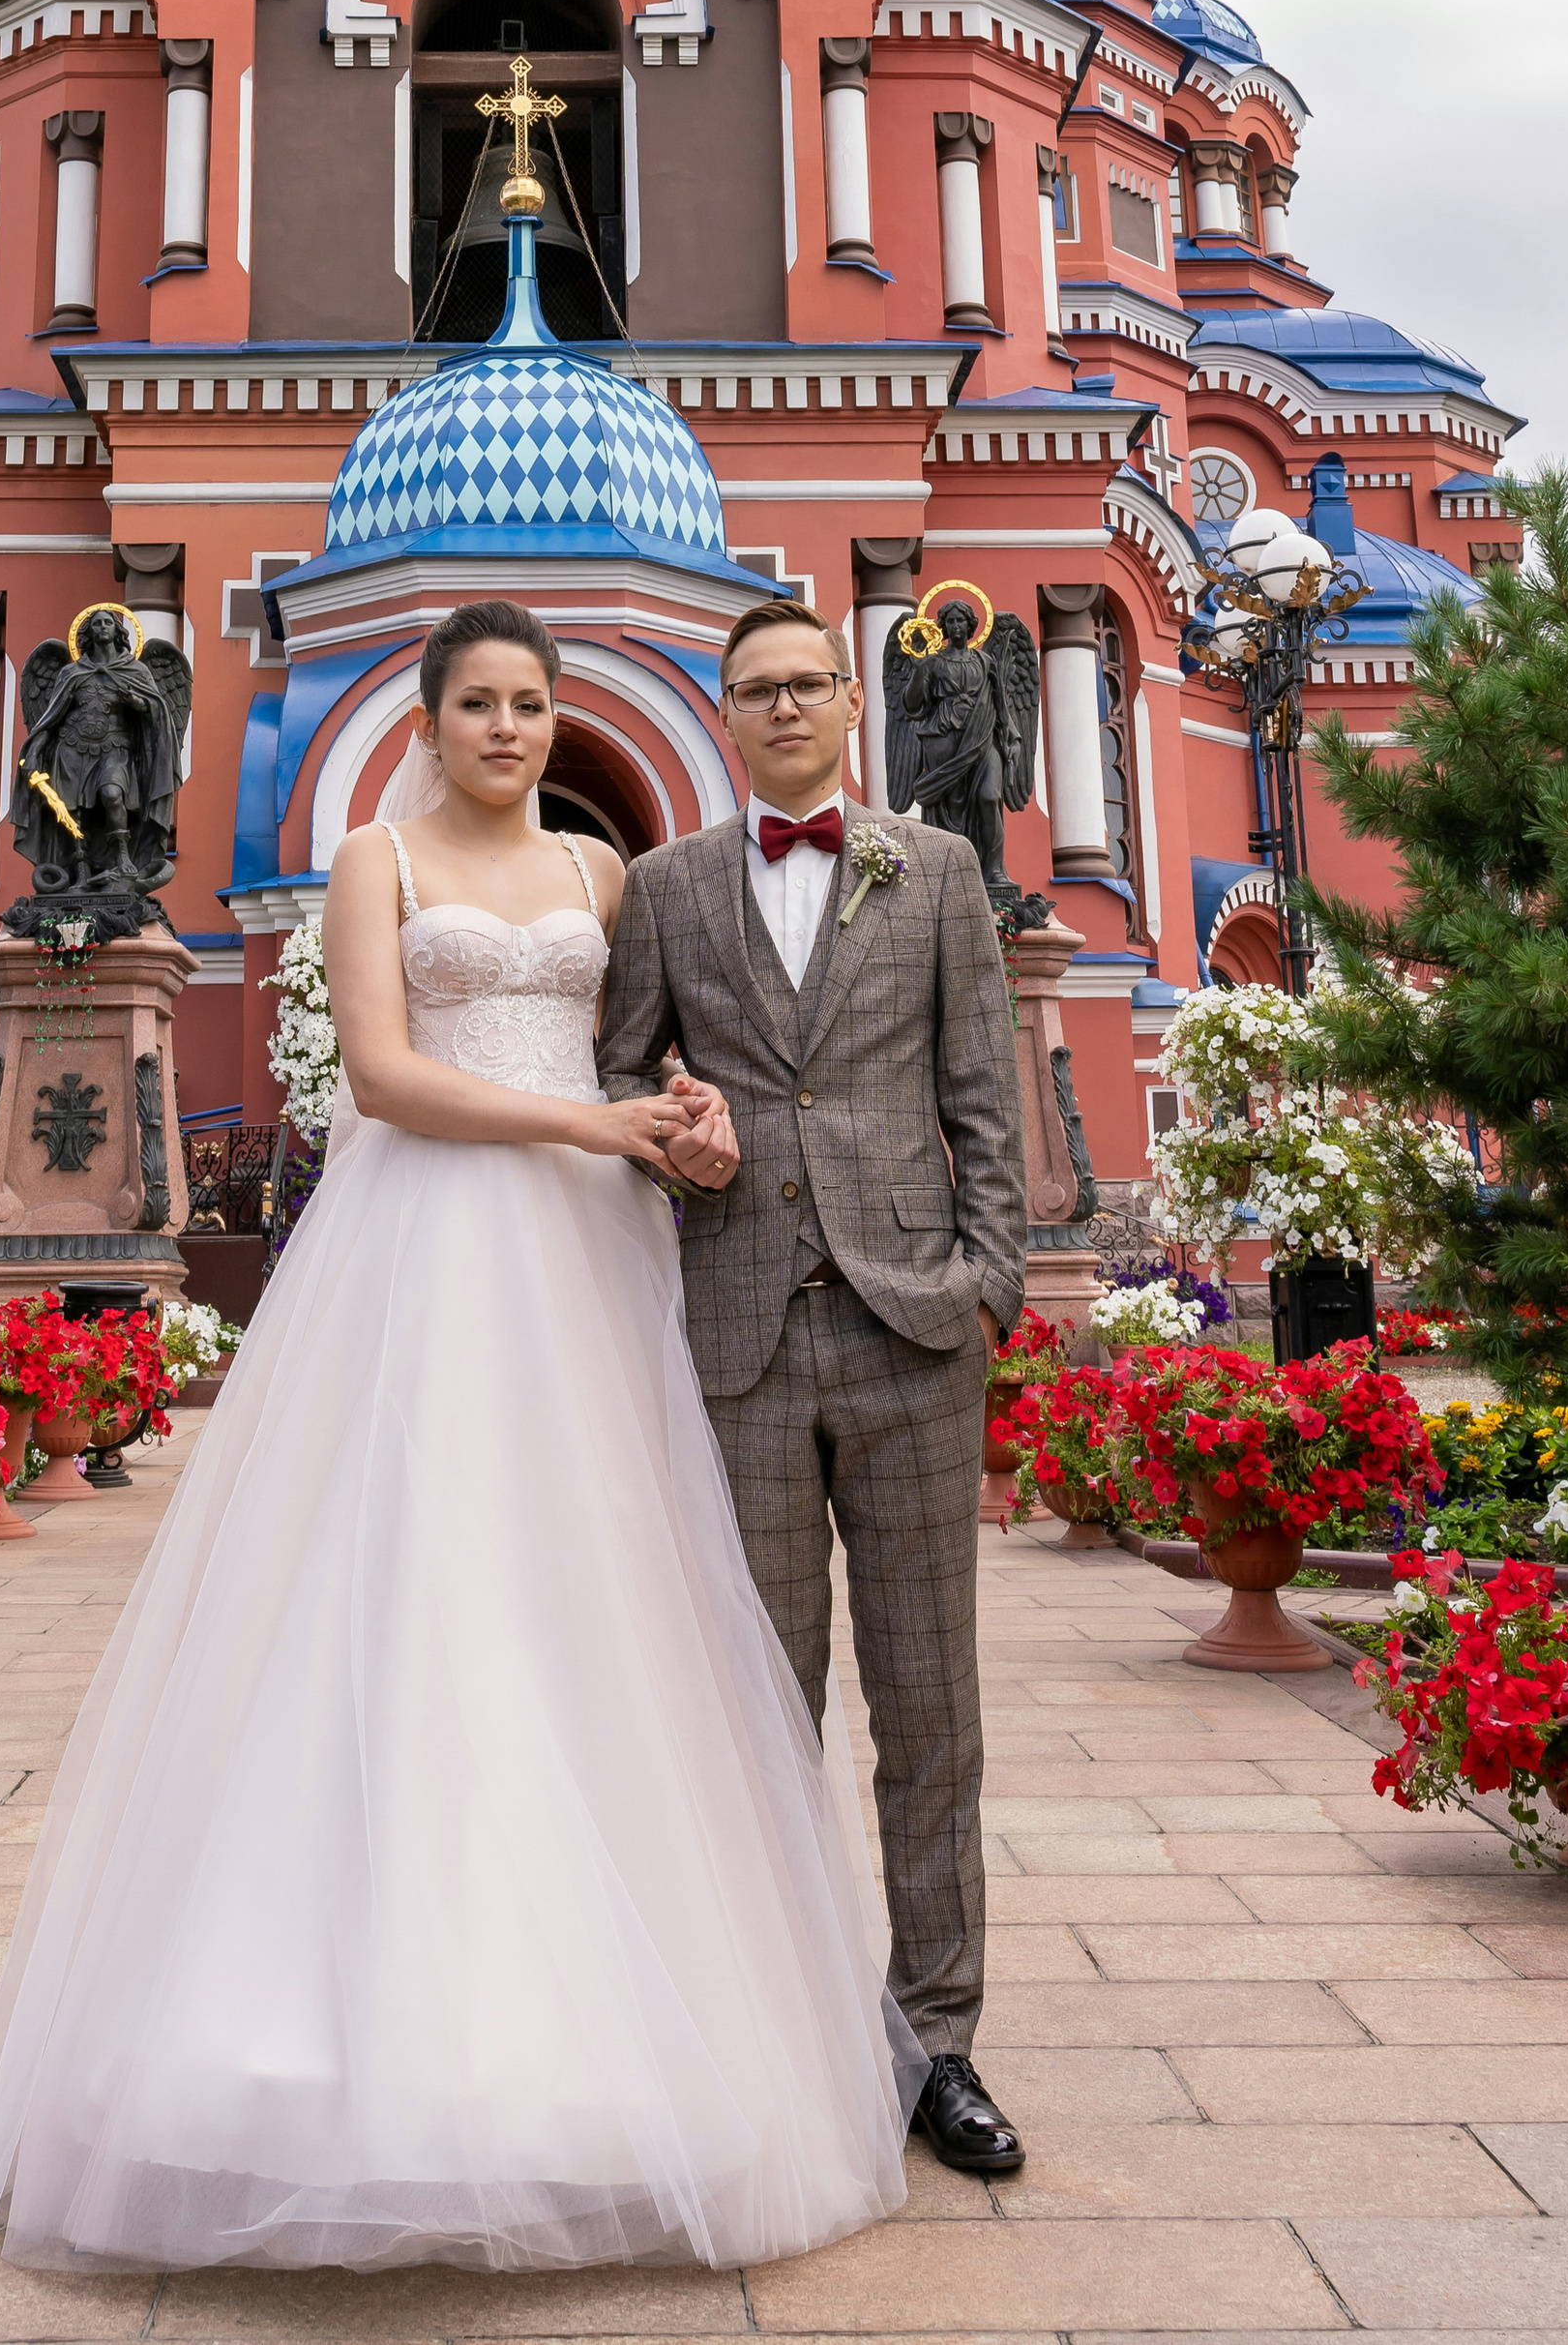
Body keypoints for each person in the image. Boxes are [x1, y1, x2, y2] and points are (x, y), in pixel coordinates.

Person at [0, 596, 923, 2276]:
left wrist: (684, 1115)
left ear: (557, 718)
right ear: (429, 718)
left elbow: (644, 1055)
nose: (508, 728)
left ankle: (628, 2025)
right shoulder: (374, 861)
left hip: (585, 1260)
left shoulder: (603, 875)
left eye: (531, 702)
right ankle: (350, 2025)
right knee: (405, 1575)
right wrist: (591, 1123)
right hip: (427, 1245)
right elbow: (387, 1078)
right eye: (479, 702)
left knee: (591, 1588)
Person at [597, 597, 1029, 2180]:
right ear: (724, 716)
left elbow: (983, 1095)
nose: (782, 707)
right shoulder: (666, 885)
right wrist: (674, 1121)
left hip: (915, 1332)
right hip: (741, 1346)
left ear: (852, 702)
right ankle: (778, 2029)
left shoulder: (939, 870)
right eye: (754, 690)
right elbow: (614, 1073)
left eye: (806, 683)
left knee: (929, 1709)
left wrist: (989, 1283)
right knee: (759, 1709)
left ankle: (940, 2039)